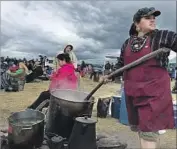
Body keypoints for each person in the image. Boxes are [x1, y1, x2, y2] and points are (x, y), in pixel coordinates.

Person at [101, 7, 177, 149]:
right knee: (143, 130)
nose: (153, 20)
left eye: (154, 17)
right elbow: (121, 65)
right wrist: (109, 77)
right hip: (133, 93)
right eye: (148, 17)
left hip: (154, 93)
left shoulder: (163, 36)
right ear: (137, 23)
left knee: (148, 132)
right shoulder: (127, 43)